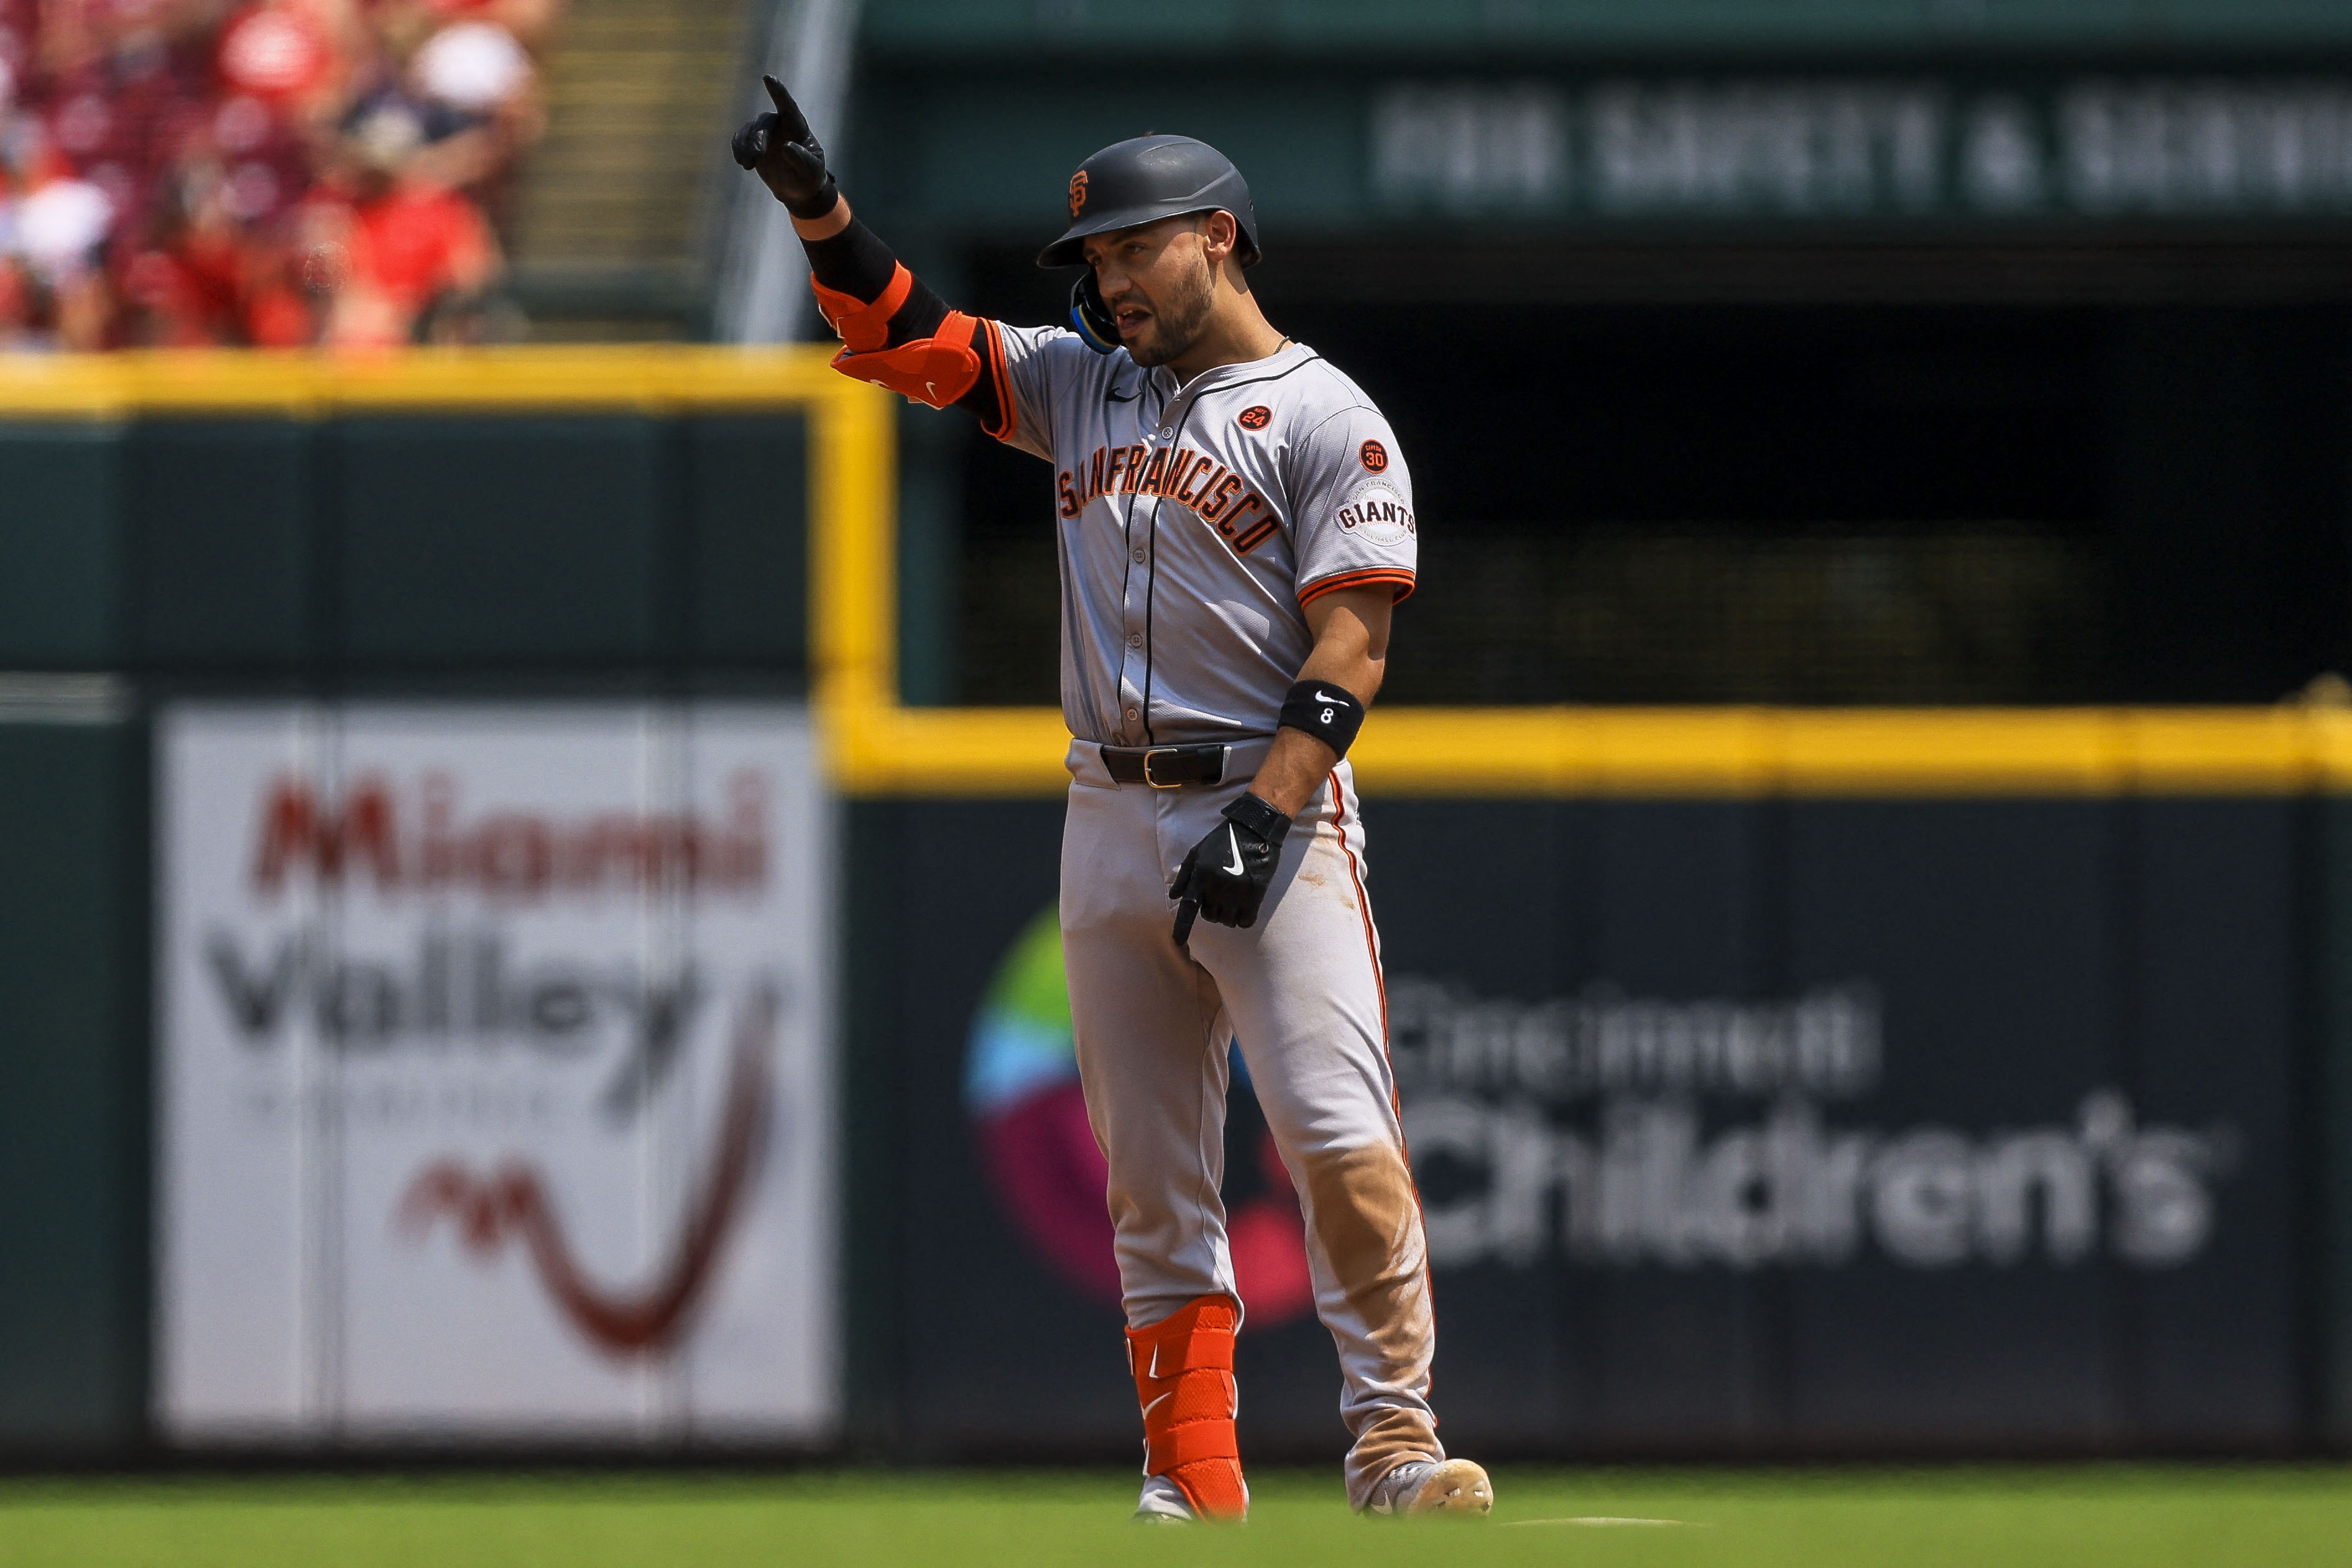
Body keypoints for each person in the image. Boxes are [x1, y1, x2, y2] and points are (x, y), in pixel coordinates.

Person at [734, 79, 1491, 1524]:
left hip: (1264, 806)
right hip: (1105, 811)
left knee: (1336, 1136)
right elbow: (903, 336)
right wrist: (812, 205)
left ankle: (1394, 1444)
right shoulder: (1083, 385)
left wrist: (1266, 817)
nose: (1107, 278)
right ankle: (1191, 1479)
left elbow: (1353, 644)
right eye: (1092, 260)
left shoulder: (1326, 415)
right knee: (1150, 1182)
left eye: (1133, 249)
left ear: (1218, 238)